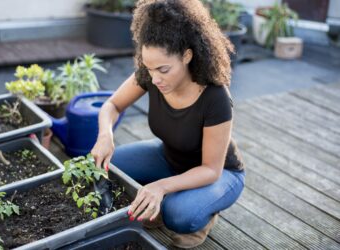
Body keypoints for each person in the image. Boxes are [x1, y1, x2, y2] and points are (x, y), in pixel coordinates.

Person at [91, 0, 245, 248]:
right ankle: (166, 196)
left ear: (187, 55)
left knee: (178, 215)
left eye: (163, 69)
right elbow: (112, 106)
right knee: (105, 167)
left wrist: (160, 187)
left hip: (218, 175)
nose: (155, 78)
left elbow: (211, 170)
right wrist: (105, 135)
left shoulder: (215, 97)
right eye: (149, 68)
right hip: (170, 157)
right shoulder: (151, 72)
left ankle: (204, 214)